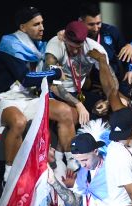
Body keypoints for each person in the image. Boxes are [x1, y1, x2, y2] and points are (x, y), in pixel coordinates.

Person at [0, 6, 64, 183]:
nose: (42, 28)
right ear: (23, 27)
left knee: (66, 112)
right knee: (18, 122)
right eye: (36, 24)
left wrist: (62, 39)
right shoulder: (9, 44)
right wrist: (55, 74)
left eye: (42, 23)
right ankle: (9, 175)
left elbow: (55, 62)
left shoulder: (40, 46)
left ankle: (66, 163)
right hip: (3, 99)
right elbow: (26, 78)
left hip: (29, 99)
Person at [45, 20, 109, 171]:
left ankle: (100, 161)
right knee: (72, 114)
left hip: (77, 92)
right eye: (71, 47)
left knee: (103, 109)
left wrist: (107, 101)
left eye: (78, 48)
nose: (74, 51)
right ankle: (70, 158)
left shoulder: (95, 49)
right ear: (64, 38)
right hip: (53, 92)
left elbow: (110, 81)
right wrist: (78, 105)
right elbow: (55, 85)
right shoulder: (55, 46)